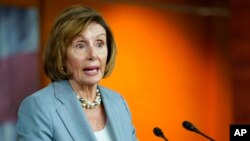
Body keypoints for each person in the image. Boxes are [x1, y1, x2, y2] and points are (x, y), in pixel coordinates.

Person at [16, 5, 137, 141]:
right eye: (80, 45)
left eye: (99, 43)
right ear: (61, 55)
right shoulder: (38, 107)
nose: (93, 55)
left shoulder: (118, 103)